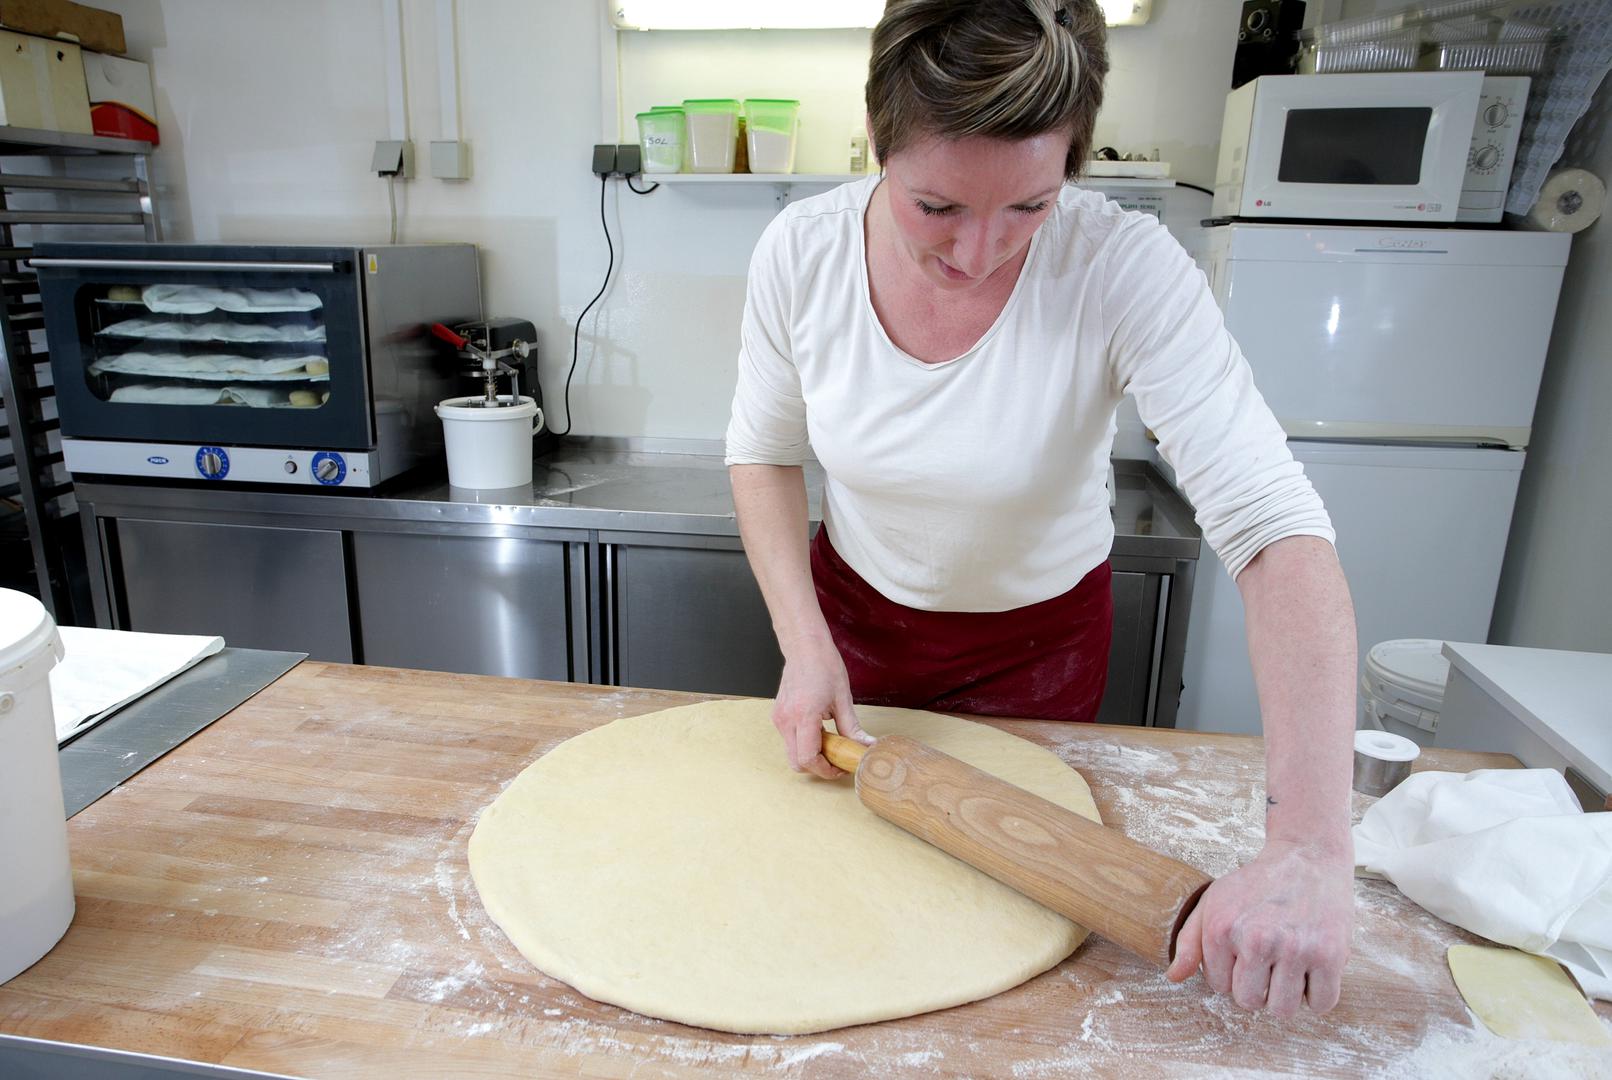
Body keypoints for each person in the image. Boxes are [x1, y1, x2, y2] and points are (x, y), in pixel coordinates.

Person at [724, 0, 1356, 1018]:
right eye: (936, 206)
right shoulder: (802, 252)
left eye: (1029, 206)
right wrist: (804, 644)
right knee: (842, 919)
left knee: (1005, 944)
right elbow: (761, 453)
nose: (979, 253)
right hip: (853, 641)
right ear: (878, 139)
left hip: (1040, 651)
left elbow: (1271, 524)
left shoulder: (1121, 265)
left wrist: (1312, 848)